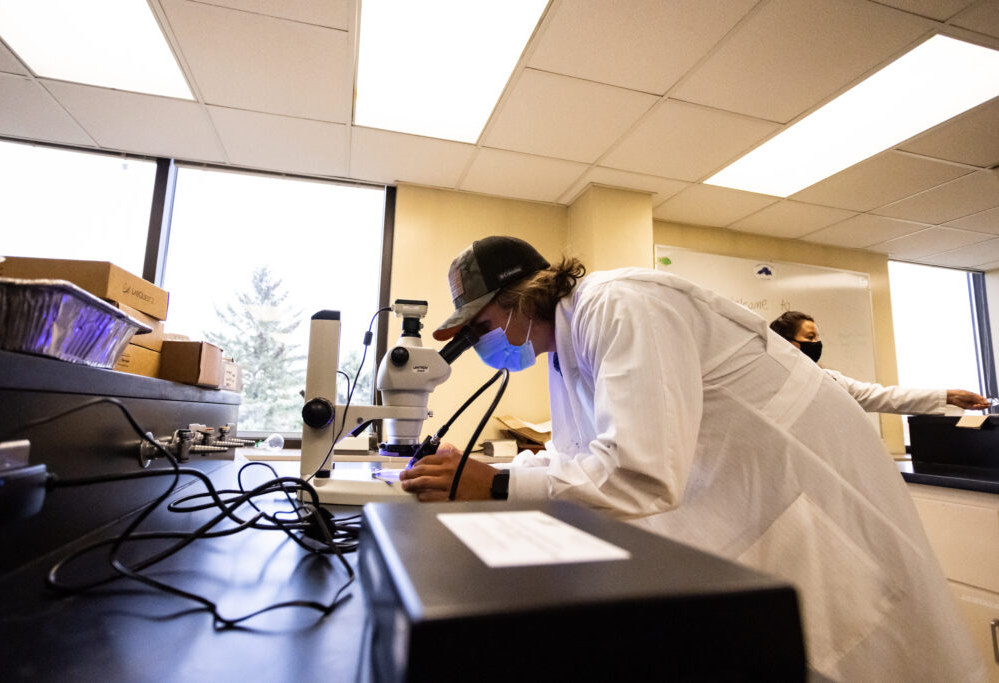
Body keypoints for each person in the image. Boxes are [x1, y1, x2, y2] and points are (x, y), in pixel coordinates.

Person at [400, 236, 983, 682]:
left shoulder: (620, 305)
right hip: (745, 508)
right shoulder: (564, 348)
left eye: (480, 327)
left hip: (804, 500)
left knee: (866, 656)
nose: (481, 344)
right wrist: (486, 475)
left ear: (520, 298)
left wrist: (494, 489)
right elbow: (575, 453)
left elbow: (636, 473)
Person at [770, 310, 989, 413]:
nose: (816, 343)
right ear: (787, 343)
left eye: (817, 337)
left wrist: (950, 396)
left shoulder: (829, 379)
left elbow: (883, 396)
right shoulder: (766, 381)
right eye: (810, 338)